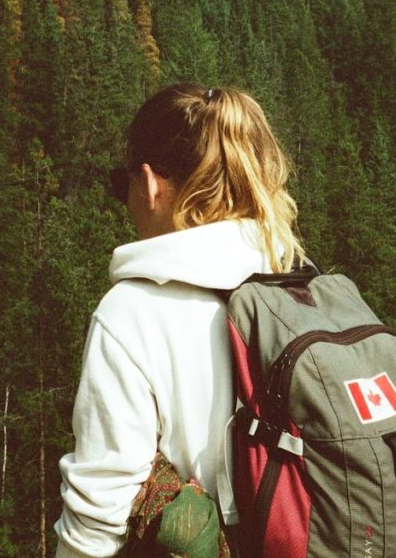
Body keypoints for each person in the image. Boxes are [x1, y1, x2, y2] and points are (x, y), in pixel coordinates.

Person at [54, 83, 305, 557]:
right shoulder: (298, 282)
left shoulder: (131, 314)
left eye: (122, 184)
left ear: (150, 184)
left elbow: (97, 517)